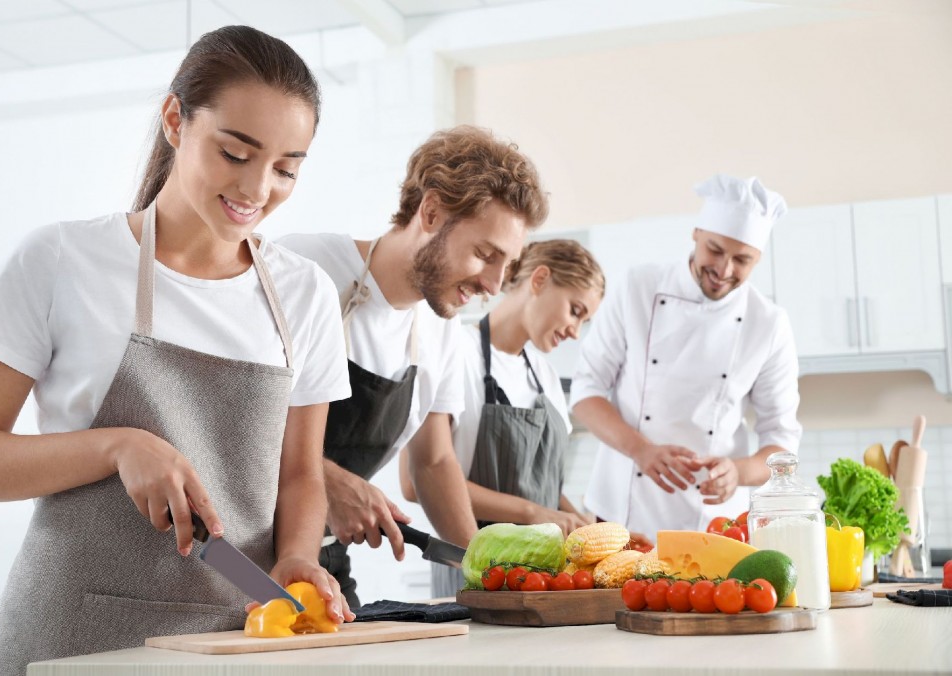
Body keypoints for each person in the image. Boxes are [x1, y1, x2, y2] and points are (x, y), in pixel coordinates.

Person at [0, 26, 354, 675]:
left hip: (229, 644)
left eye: (286, 168)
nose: (258, 189)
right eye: (235, 152)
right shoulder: (63, 261)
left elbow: (300, 473)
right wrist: (117, 446)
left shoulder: (306, 295)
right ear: (175, 120)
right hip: (66, 641)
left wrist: (297, 554)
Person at [278, 126, 548, 607]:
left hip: (324, 569)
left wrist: (478, 573)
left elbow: (433, 460)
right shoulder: (302, 268)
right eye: (485, 254)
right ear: (431, 211)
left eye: (506, 265)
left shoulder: (440, 329)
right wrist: (328, 480)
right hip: (234, 558)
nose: (493, 283)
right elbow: (222, 417)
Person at [570, 174, 802, 536]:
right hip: (621, 512)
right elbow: (586, 392)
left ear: (759, 258)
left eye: (742, 259)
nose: (724, 270)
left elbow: (782, 439)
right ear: (696, 233)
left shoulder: (769, 324)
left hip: (714, 522)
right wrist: (641, 450)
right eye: (715, 249)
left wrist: (738, 472)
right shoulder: (639, 287)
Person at [398, 239, 622, 597]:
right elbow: (415, 483)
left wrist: (583, 528)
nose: (575, 331)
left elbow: (543, 488)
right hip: (472, 569)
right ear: (540, 279)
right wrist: (533, 514)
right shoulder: (454, 350)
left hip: (543, 578)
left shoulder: (546, 377)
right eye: (575, 311)